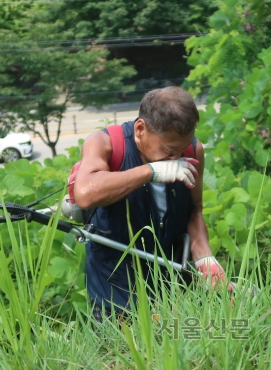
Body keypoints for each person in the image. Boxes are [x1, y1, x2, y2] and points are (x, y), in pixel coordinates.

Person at [73, 86, 228, 322]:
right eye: (169, 150)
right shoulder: (105, 143)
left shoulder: (191, 149)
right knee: (120, 357)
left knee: (173, 356)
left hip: (172, 288)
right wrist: (150, 172)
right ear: (141, 129)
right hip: (114, 292)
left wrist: (205, 257)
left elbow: (194, 210)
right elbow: (85, 193)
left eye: (181, 149)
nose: (176, 158)